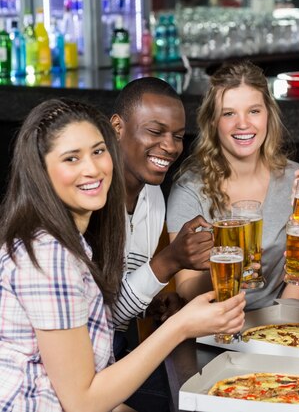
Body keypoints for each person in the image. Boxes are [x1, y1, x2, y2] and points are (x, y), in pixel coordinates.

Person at [0, 98, 245, 412]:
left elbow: (82, 382)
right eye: (71, 158)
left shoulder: (67, 240)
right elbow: (83, 402)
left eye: (98, 151)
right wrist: (181, 325)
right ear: (41, 171)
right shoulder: (49, 254)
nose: (93, 168)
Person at [110, 77, 214, 411]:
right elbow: (102, 315)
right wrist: (170, 261)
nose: (170, 146)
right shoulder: (90, 196)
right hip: (79, 365)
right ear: (117, 127)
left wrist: (151, 303)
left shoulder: (153, 196)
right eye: (155, 132)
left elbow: (120, 298)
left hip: (117, 349)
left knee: (200, 395)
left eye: (179, 136)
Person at [168, 60, 299, 306]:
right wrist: (226, 266)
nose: (243, 124)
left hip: (278, 324)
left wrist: (282, 323)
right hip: (212, 325)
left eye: (254, 111)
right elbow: (186, 288)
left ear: (268, 115)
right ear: (213, 121)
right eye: (229, 113)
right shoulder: (190, 189)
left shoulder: (293, 180)